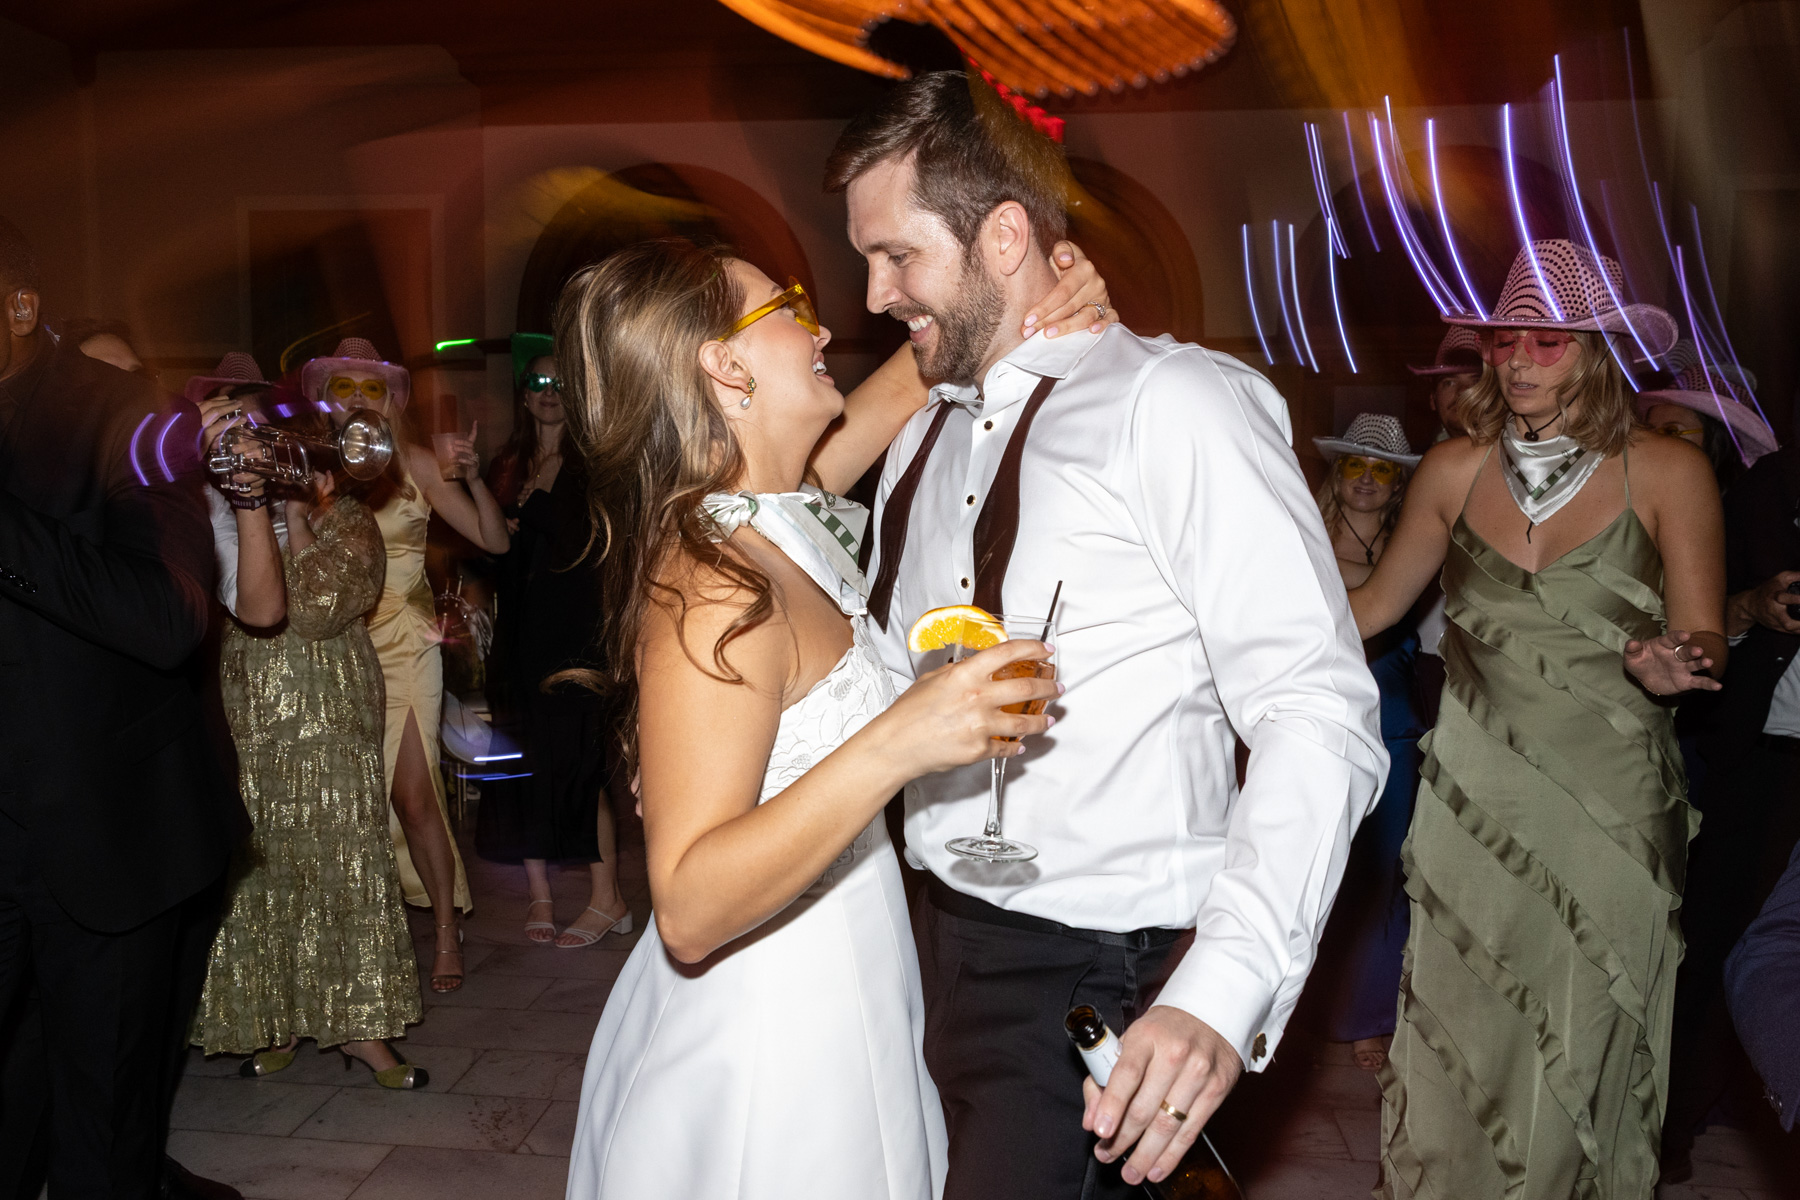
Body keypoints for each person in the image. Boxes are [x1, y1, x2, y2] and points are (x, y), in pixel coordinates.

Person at [826, 71, 1386, 1199]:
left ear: (1005, 237)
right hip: (935, 937)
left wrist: (1219, 992)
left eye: (897, 256)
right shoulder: (924, 432)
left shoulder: (1176, 404)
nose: (876, 295)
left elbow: (1315, 708)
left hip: (1099, 969)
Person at [560, 236, 1075, 1199]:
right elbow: (688, 907)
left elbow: (908, 379)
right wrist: (901, 740)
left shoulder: (782, 519)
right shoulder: (718, 585)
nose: (823, 326)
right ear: (726, 367)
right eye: (788, 307)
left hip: (849, 978)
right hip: (769, 1034)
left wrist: (1038, 289)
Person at [1347, 239, 1726, 1199]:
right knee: (1460, 1033)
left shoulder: (1669, 471)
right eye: (1506, 339)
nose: (1519, 359)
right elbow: (1370, 611)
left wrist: (1673, 660)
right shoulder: (1453, 467)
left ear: (1595, 350)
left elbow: (1707, 639)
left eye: (1547, 340)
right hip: (1475, 800)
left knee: (1584, 1037)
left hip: (1611, 805)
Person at [0, 216, 244, 1196]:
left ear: (21, 307)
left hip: (100, 838)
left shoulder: (130, 416)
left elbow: (165, 617)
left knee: (100, 1139)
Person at [187, 360, 427, 1088]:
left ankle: (361, 1031)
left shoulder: (348, 519)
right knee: (265, 865)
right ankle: (277, 1018)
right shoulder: (206, 515)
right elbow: (239, 607)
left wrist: (294, 516)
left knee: (344, 861)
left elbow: (317, 611)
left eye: (259, 432)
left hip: (332, 709)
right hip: (251, 707)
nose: (249, 446)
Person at [299, 337, 509, 993]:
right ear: (326, 401)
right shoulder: (311, 467)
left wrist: (471, 476)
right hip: (338, 648)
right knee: (352, 806)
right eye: (345, 388)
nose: (359, 399)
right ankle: (368, 934)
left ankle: (445, 930)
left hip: (405, 642)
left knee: (415, 797)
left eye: (373, 388)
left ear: (391, 401)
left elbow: (494, 540)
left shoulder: (416, 463)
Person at [1661, 432, 1799, 1177]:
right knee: (1719, 944)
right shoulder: (1769, 489)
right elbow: (1697, 610)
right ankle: (1666, 1133)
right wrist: (1753, 604)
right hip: (1767, 759)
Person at [478, 334, 632, 948]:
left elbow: (591, 548)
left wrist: (535, 508)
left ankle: (608, 898)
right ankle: (539, 894)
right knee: (523, 766)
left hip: (575, 633)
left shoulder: (595, 464)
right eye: (539, 383)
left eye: (561, 384)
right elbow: (490, 553)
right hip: (518, 631)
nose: (549, 393)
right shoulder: (505, 464)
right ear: (524, 396)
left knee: (579, 766)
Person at [1309, 414, 1423, 1075]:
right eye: (1357, 464)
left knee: (1381, 874)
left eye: (1383, 470)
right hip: (1315, 721)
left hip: (1395, 725)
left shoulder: (1417, 547)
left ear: (1399, 484)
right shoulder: (1303, 536)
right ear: (1338, 472)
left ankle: (1367, 1019)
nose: (1368, 479)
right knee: (1311, 863)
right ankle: (1300, 1010)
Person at [1406, 327, 1481, 727]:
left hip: (1494, 659)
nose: (1462, 393)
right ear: (1432, 398)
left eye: (1474, 381)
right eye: (1449, 382)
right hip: (1422, 654)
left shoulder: (1525, 472)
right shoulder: (1402, 474)